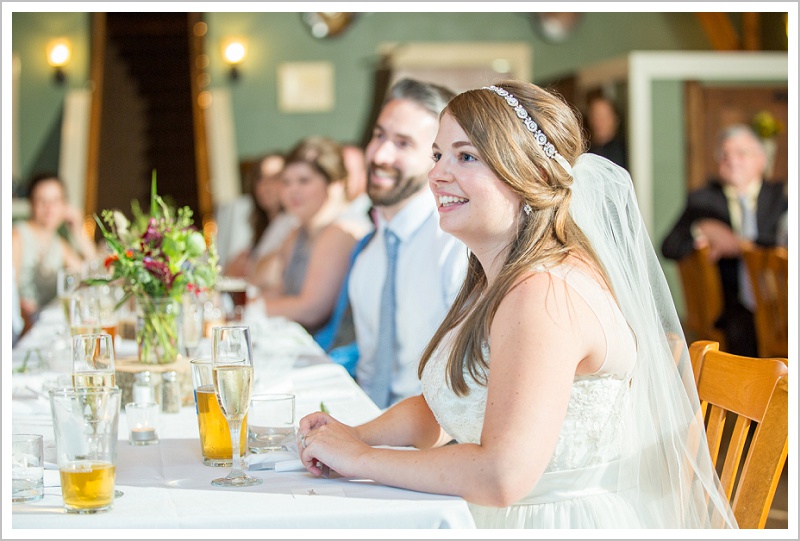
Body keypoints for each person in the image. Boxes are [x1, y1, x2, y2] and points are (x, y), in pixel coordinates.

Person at [297, 80, 736, 529]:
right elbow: (447, 405)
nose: (437, 175)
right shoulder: (496, 278)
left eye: (466, 156)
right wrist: (352, 435)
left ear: (535, 176)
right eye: (438, 155)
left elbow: (502, 476)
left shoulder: (542, 294)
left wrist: (362, 458)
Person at [343, 78, 468, 408]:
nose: (380, 154)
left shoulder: (456, 247)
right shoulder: (369, 254)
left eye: (403, 144)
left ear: (437, 159)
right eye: (379, 135)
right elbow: (369, 371)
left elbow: (470, 384)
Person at [661, 124, 788, 357]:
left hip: (780, 305)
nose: (732, 160)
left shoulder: (782, 197)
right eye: (725, 155)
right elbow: (669, 246)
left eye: (741, 153)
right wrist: (699, 228)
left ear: (761, 160)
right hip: (730, 310)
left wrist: (741, 244)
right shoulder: (703, 201)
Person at [257, 136, 371, 334]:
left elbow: (311, 309)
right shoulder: (298, 231)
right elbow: (276, 288)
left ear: (334, 184)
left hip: (336, 353)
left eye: (304, 181)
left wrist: (247, 308)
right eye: (286, 182)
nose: (293, 191)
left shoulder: (342, 230)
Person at [11, 173, 97, 326]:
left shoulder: (59, 245)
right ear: (31, 204)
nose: (49, 208)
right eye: (42, 200)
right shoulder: (16, 237)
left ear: (65, 205)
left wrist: (78, 232)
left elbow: (93, 276)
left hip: (43, 325)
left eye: (56, 201)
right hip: (21, 328)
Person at [223, 152, 298, 281]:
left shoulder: (295, 223)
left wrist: (251, 267)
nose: (265, 187)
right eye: (260, 179)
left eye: (274, 178)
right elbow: (230, 270)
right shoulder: (253, 223)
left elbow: (275, 272)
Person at [586, 95, 627, 169]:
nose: (599, 122)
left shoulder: (625, 152)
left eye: (604, 117)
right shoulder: (586, 152)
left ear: (616, 119)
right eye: (595, 116)